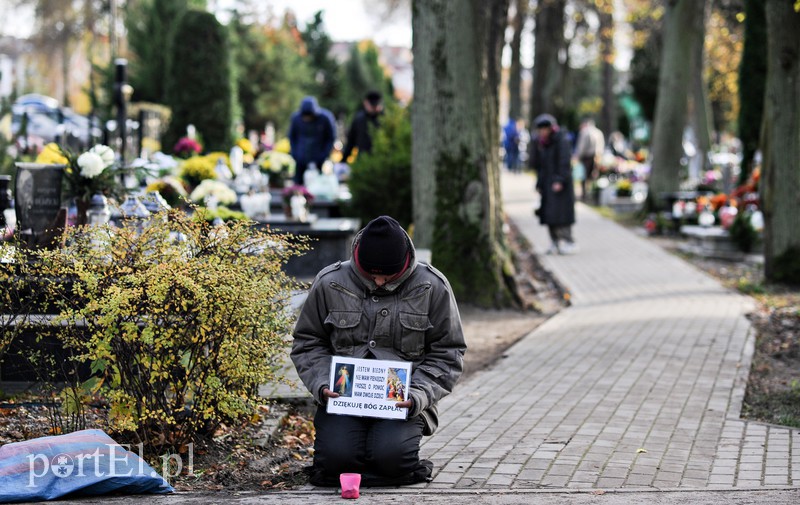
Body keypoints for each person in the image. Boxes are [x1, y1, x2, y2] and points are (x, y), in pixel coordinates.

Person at [291, 215, 466, 487]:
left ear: (404, 263)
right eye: (372, 275)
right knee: (335, 460)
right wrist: (323, 383)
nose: (380, 282)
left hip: (402, 402)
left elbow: (448, 352)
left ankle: (389, 461)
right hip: (344, 398)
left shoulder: (432, 286)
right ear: (358, 261)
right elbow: (308, 342)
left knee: (392, 458)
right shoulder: (330, 282)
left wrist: (417, 395)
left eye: (388, 275)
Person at [529, 113, 577, 255]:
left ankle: (568, 241)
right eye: (540, 130)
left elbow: (564, 162)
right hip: (546, 183)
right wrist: (539, 183)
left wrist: (559, 180)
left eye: (544, 129)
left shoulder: (561, 140)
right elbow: (537, 165)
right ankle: (554, 241)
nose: (542, 132)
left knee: (561, 215)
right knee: (549, 214)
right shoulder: (541, 143)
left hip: (560, 184)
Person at [287, 96, 337, 185]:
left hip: (319, 158)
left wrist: (324, 154)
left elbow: (331, 138)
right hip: (301, 158)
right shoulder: (296, 118)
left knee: (318, 185)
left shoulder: (325, 118)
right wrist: (295, 153)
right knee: (298, 184)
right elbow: (292, 137)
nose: (307, 118)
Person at [341, 90, 384, 162]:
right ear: (365, 103)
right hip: (363, 160)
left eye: (376, 105)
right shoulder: (359, 119)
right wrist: (343, 161)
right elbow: (351, 141)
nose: (374, 108)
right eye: (372, 105)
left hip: (381, 160)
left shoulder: (386, 119)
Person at [573, 117, 605, 201]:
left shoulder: (585, 132)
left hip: (586, 157)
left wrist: (578, 156)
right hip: (597, 156)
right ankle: (593, 195)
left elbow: (581, 146)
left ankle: (585, 195)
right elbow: (602, 145)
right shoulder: (599, 132)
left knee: (584, 176)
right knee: (594, 175)